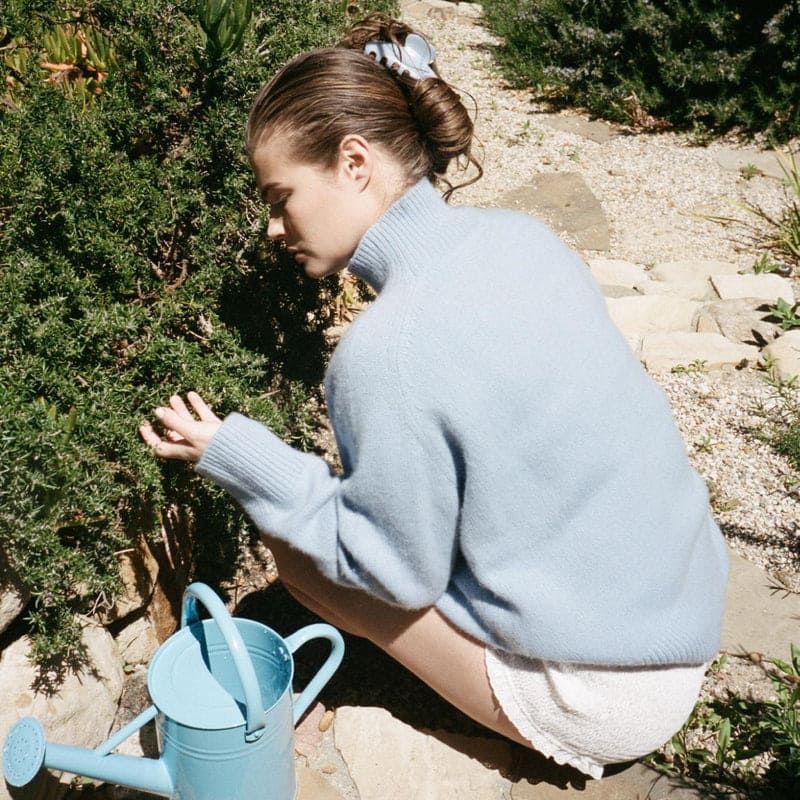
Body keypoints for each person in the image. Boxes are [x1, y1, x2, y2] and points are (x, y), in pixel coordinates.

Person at [140, 13, 729, 779]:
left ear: (355, 162)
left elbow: (394, 575)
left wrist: (243, 458)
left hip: (603, 698)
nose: (274, 228)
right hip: (684, 621)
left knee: (303, 561)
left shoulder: (387, 350)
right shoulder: (525, 238)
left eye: (281, 197)